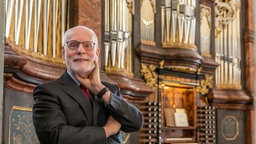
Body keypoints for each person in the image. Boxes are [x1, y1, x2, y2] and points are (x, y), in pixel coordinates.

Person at [32, 25, 144, 144]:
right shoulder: (47, 91)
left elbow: (135, 123)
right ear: (64, 52)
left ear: (97, 53)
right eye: (73, 45)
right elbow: (55, 137)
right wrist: (107, 131)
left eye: (87, 45)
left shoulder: (110, 90)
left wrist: (99, 89)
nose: (80, 50)